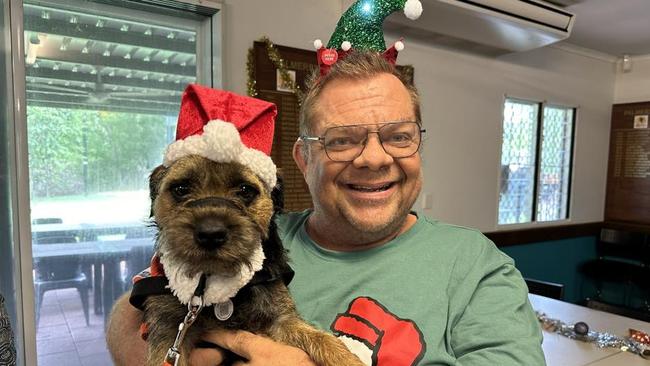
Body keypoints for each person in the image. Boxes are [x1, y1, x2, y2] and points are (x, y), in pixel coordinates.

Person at [107, 51, 545, 365]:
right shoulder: (263, 239)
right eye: (341, 140)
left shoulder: (476, 266)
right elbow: (140, 302)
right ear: (302, 160)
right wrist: (141, 348)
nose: (374, 158)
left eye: (398, 135)